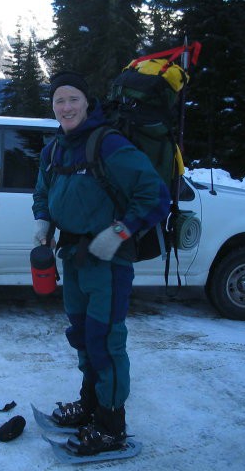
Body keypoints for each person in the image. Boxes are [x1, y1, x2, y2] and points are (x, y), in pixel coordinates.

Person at [32, 71, 170, 456]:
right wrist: (43, 218)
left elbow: (155, 195)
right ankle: (90, 405)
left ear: (87, 102)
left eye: (73, 98)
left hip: (107, 261)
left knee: (105, 340)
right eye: (59, 100)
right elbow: (42, 190)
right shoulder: (55, 148)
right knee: (81, 334)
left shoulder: (108, 144)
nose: (66, 107)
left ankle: (111, 425)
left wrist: (121, 232)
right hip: (73, 258)